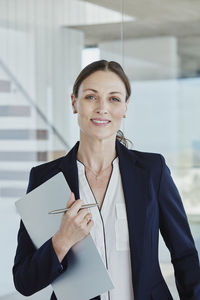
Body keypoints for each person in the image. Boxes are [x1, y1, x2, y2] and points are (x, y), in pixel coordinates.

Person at [13, 60, 200, 300]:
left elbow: (184, 255)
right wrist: (62, 240)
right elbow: (24, 281)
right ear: (74, 103)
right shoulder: (45, 179)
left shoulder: (153, 171)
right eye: (91, 97)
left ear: (125, 107)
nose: (102, 108)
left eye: (114, 98)